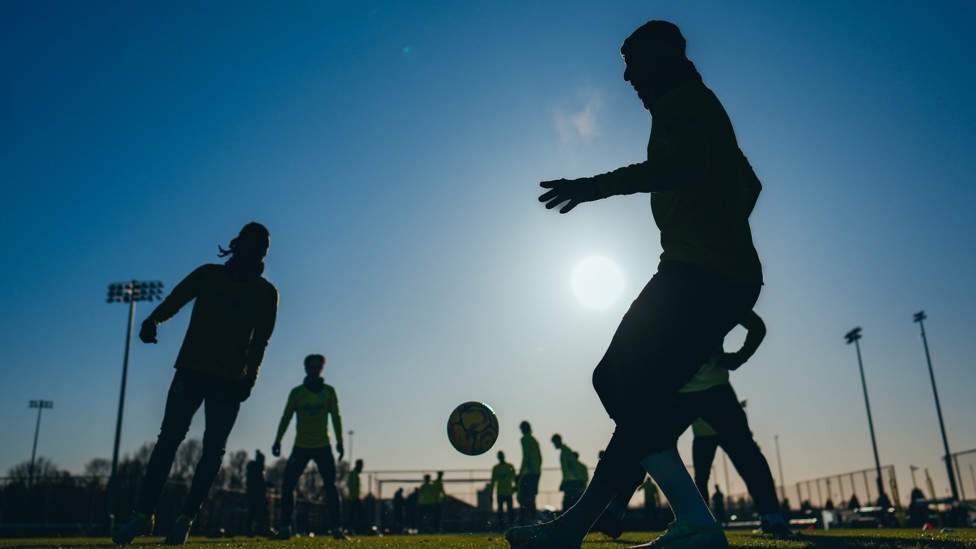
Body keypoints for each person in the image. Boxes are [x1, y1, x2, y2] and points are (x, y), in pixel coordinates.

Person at [506, 20, 763, 549]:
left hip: (699, 273)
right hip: (717, 272)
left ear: (663, 56)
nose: (626, 76)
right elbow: (749, 183)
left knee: (615, 380)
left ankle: (695, 521)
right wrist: (724, 228)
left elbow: (685, 164)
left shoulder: (682, 99)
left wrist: (595, 187)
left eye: (633, 61)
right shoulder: (697, 101)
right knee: (638, 403)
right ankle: (574, 529)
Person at [112, 223, 278, 546]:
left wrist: (250, 378)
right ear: (238, 244)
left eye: (265, 247)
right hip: (191, 371)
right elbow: (177, 298)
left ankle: (185, 520)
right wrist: (152, 320)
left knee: (213, 450)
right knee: (168, 440)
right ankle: (143, 516)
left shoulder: (266, 293)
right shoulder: (208, 275)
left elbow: (261, 341)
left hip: (230, 381)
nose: (260, 250)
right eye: (255, 243)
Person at [271, 353, 347, 540]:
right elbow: (286, 417)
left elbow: (336, 417)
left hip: (323, 446)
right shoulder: (297, 393)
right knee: (288, 485)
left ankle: (337, 530)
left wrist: (340, 442)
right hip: (301, 447)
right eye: (311, 367)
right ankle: (284, 528)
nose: (314, 370)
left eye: (317, 367)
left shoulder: (329, 392)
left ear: (322, 369)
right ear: (306, 368)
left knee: (331, 486)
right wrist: (278, 440)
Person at [517, 421, 542, 524]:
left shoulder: (525, 439)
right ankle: (531, 517)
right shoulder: (534, 440)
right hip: (536, 472)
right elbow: (540, 458)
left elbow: (526, 456)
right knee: (531, 496)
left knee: (522, 496)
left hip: (529, 473)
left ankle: (529, 517)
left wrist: (521, 473)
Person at [551, 434, 584, 512]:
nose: (554, 445)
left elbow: (573, 466)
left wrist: (578, 479)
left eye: (554, 443)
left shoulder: (566, 451)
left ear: (558, 441)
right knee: (569, 504)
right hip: (569, 482)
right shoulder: (565, 451)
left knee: (567, 505)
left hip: (571, 482)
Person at [491, 451, 518, 530]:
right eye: (499, 456)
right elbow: (493, 481)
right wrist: (491, 493)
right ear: (498, 457)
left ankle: (511, 526)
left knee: (510, 510)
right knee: (500, 511)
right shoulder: (496, 468)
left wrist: (516, 487)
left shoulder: (509, 466)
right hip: (500, 493)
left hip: (509, 492)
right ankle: (501, 527)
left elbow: (514, 478)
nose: (501, 457)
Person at [246, 449, 269, 537]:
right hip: (254, 494)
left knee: (261, 512)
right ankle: (250, 530)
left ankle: (259, 529)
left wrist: (267, 484)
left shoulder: (260, 469)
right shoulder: (254, 467)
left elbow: (261, 482)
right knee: (252, 512)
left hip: (260, 494)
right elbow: (256, 481)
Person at [346, 459, 365, 534]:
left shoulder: (355, 473)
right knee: (356, 514)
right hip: (353, 498)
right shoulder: (354, 474)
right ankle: (349, 528)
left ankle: (351, 528)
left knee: (355, 514)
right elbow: (350, 485)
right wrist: (354, 496)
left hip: (355, 498)